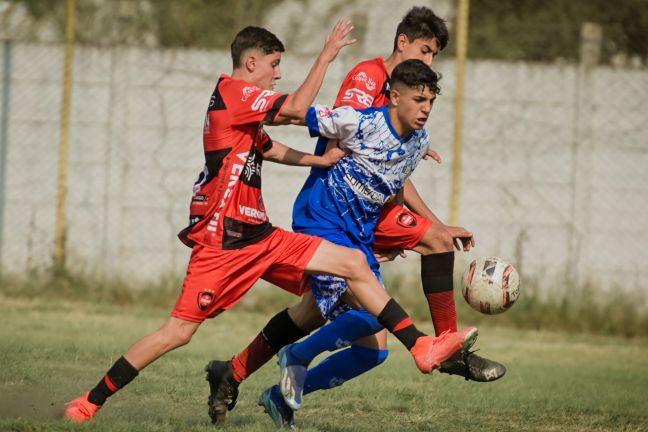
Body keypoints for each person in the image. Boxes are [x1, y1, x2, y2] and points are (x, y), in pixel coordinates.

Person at [63, 20, 475, 424]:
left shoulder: (239, 105)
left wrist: (319, 159)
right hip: (224, 244)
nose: (278, 74)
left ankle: (421, 346)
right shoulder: (236, 92)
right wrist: (326, 56)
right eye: (274, 65)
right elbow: (297, 109)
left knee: (352, 266)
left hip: (262, 235)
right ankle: (90, 401)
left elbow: (270, 148)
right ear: (251, 62)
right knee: (176, 334)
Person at [205, 6, 504, 426]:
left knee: (358, 336)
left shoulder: (415, 129)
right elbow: (341, 130)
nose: (430, 62)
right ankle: (444, 349)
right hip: (331, 209)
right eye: (425, 50)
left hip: (366, 215)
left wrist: (415, 171)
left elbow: (392, 172)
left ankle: (236, 374)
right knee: (367, 304)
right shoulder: (368, 79)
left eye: (435, 57)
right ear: (402, 43)